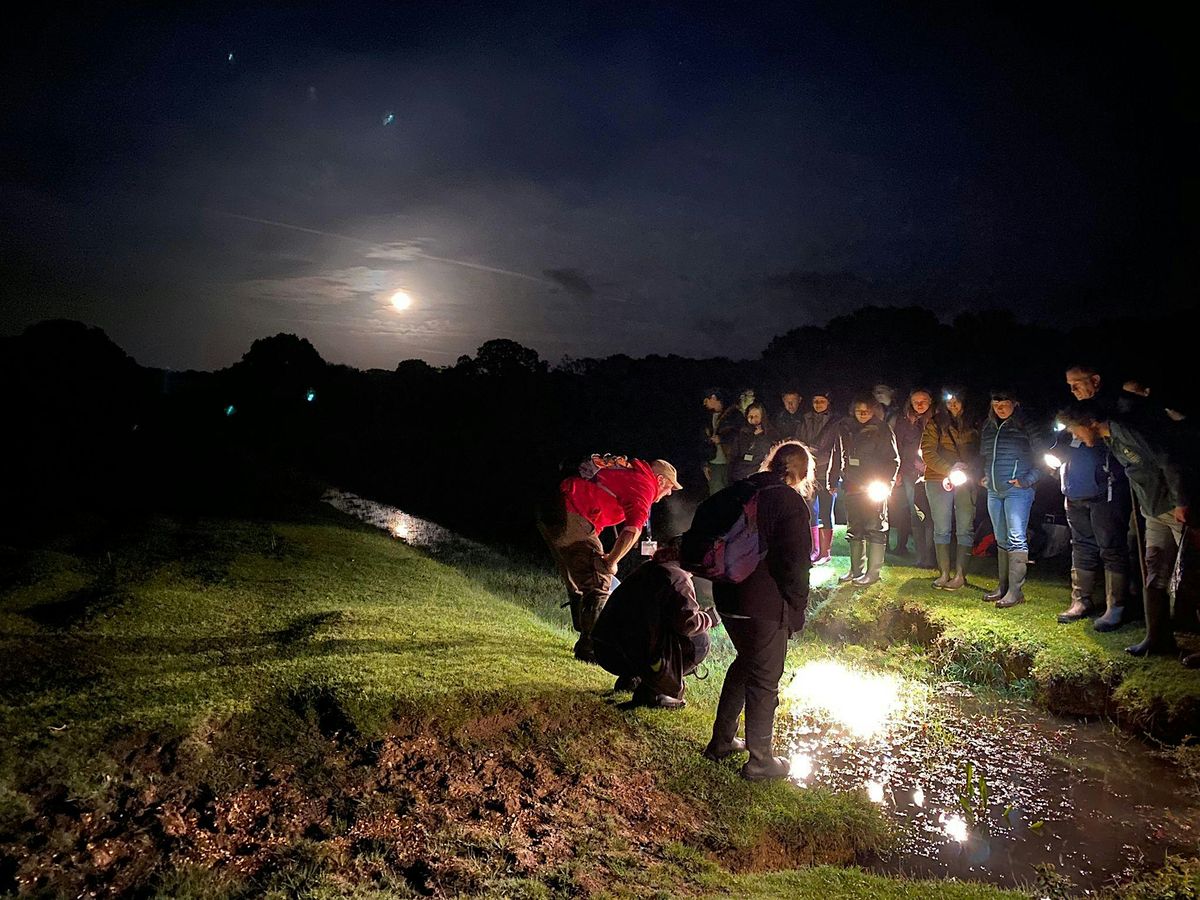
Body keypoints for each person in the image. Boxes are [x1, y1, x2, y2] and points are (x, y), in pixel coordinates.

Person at [704, 441, 814, 780]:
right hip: (763, 603)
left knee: (746, 662)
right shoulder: (789, 501)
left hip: (727, 595)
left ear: (771, 463)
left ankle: (722, 741)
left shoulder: (739, 490)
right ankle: (761, 761)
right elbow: (796, 564)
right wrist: (797, 608)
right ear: (801, 473)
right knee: (765, 680)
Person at [1057, 401, 1195, 661]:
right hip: (1152, 510)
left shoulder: (1127, 431)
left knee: (1193, 572)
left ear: (1091, 423)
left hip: (1173, 508)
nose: (1074, 435)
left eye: (1075, 429)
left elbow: (1167, 460)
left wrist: (1182, 501)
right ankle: (1157, 637)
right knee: (1154, 572)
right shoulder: (1110, 439)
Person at [537, 456, 682, 662]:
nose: (669, 493)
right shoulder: (645, 485)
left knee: (579, 578)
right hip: (572, 512)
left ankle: (583, 629)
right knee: (600, 580)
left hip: (554, 508)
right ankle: (591, 649)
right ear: (659, 479)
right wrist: (611, 561)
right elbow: (632, 531)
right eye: (669, 487)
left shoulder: (631, 473)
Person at [591, 538, 718, 709]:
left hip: (604, 648)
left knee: (648, 631)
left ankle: (631, 680)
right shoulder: (678, 577)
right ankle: (655, 691)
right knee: (701, 641)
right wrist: (709, 618)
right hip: (623, 656)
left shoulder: (650, 567)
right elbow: (687, 625)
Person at [1050, 404, 1131, 630]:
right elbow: (1058, 450)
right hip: (1074, 495)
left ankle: (1116, 606)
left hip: (1105, 496)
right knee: (1081, 546)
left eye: (1076, 387)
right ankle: (1080, 600)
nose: (1074, 434)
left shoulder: (1106, 427)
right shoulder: (1070, 432)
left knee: (1111, 548)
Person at [979, 390, 1048, 609]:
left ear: (1015, 403)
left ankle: (1015, 592)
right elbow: (986, 456)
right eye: (995, 404)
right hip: (994, 490)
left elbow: (1044, 459)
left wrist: (1027, 480)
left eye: (1004, 403)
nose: (999, 408)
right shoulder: (989, 426)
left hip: (1018, 491)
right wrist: (986, 476)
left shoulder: (1026, 425)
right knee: (1001, 539)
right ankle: (1003, 587)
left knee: (1016, 537)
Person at [829, 395, 900, 585]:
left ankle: (872, 573)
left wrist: (886, 484)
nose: (862, 414)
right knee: (855, 528)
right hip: (852, 485)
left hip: (874, 486)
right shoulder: (844, 427)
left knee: (875, 527)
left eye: (866, 411)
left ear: (873, 411)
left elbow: (893, 460)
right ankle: (856, 570)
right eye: (859, 411)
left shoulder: (882, 429)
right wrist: (832, 479)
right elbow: (837, 454)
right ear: (853, 410)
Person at [921, 388, 979, 590]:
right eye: (949, 401)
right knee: (941, 527)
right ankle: (944, 573)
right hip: (937, 478)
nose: (953, 405)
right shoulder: (935, 423)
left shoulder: (975, 423)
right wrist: (949, 469)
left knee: (965, 527)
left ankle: (960, 575)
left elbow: (981, 452)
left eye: (957, 400)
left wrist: (968, 469)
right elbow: (928, 452)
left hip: (967, 479)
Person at [892, 388, 936, 567]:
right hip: (910, 473)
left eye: (923, 401)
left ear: (930, 401)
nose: (919, 405)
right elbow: (898, 446)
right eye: (915, 401)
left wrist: (929, 464)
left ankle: (931, 556)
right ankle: (921, 556)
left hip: (934, 473)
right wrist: (899, 471)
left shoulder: (936, 420)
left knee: (931, 514)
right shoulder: (904, 421)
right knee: (916, 512)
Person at [798, 390, 838, 564]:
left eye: (822, 401)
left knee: (826, 511)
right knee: (810, 510)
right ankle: (814, 549)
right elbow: (799, 441)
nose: (818, 404)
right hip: (809, 472)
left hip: (827, 472)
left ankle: (825, 552)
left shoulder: (836, 422)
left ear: (828, 402)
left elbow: (836, 448)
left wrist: (815, 458)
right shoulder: (806, 419)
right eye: (815, 401)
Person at [702, 389, 743, 496]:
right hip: (714, 463)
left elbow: (741, 435)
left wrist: (722, 439)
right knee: (716, 494)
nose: (705, 404)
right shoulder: (707, 417)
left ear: (714, 397)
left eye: (706, 400)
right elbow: (703, 441)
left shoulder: (734, 415)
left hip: (731, 462)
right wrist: (705, 463)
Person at [729, 401, 780, 482]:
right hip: (741, 475)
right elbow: (734, 455)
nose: (753, 419)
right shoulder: (742, 433)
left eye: (756, 416)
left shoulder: (771, 434)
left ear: (762, 416)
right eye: (750, 416)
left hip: (761, 476)